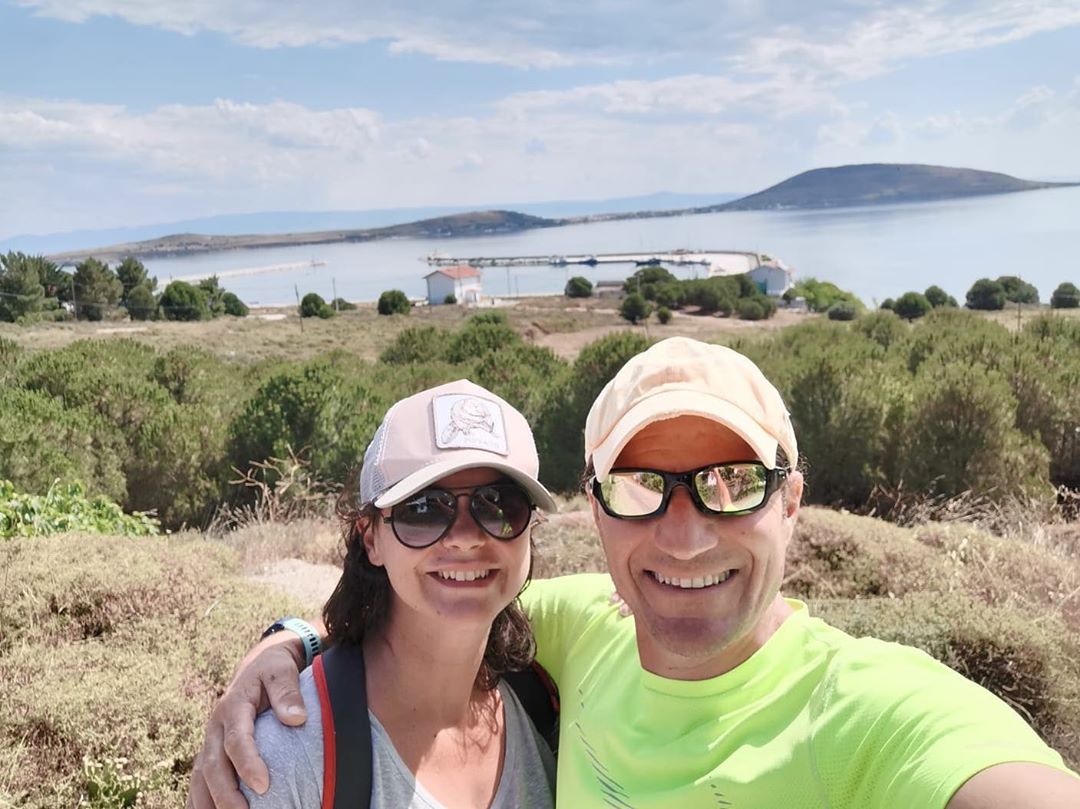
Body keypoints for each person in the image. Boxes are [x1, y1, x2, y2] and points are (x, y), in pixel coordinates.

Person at [189, 337, 1080, 808]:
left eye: (732, 483)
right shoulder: (585, 631)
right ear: (596, 508)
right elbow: (430, 611)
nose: (684, 538)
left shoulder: (874, 709)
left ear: (793, 501)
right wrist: (288, 647)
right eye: (643, 487)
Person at [193, 379, 559, 809]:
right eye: (423, 509)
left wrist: (294, 638)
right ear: (371, 539)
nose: (465, 537)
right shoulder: (288, 760)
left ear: (530, 529)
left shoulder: (548, 693)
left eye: (498, 505)